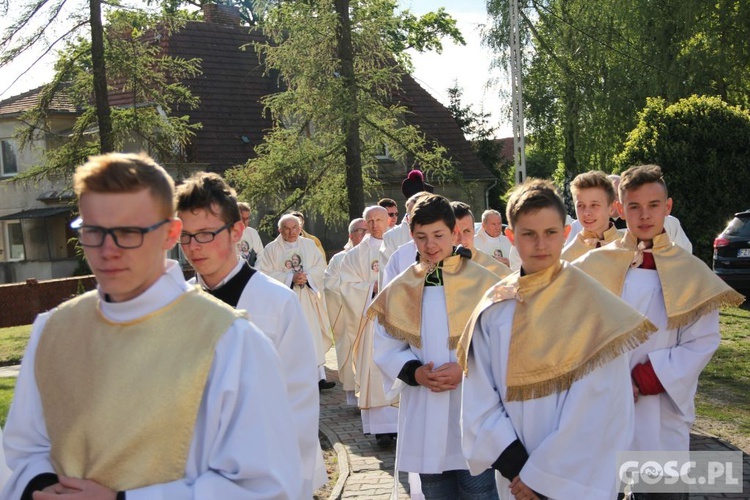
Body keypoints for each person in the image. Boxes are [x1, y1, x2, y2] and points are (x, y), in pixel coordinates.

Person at [1, 153, 302, 499]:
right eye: (93, 231)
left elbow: (266, 486)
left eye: (128, 232)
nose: (107, 250)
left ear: (171, 233)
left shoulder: (231, 342)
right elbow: (24, 449)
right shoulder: (51, 330)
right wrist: (39, 486)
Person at [459, 178, 656, 499]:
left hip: (580, 479)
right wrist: (519, 471)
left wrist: (542, 477)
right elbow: (479, 401)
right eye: (528, 234)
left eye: (550, 233)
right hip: (515, 482)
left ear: (566, 234)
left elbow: (602, 406)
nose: (540, 245)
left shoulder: (595, 305)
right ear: (511, 237)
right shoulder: (494, 308)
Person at [574, 165, 744, 499]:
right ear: (620, 210)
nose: (644, 215)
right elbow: (576, 331)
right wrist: (608, 380)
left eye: (654, 205)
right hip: (605, 403)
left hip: (659, 409)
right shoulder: (593, 266)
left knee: (659, 490)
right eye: (634, 206)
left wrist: (645, 378)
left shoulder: (691, 272)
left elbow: (703, 341)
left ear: (668, 208)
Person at [175, 171, 326, 497]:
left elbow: (299, 402)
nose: (193, 247)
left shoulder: (276, 303)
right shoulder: (178, 306)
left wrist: (289, 483)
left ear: (236, 232)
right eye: (185, 236)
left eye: (204, 234)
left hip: (265, 477)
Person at [370, 194, 501, 498]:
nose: (430, 245)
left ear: (455, 232)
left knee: (479, 490)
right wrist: (415, 373)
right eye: (421, 237)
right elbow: (385, 343)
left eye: (438, 235)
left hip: (471, 406)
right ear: (411, 237)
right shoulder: (403, 286)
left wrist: (464, 368)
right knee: (435, 491)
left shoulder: (485, 281)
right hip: (425, 407)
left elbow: (503, 341)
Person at [340, 206, 399, 445]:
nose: (375, 225)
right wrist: (370, 289)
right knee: (373, 370)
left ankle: (397, 423)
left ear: (388, 221)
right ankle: (381, 430)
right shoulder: (354, 255)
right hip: (370, 320)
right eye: (370, 221)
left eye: (379, 220)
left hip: (395, 319)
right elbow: (346, 286)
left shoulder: (399, 247)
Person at [258, 214, 335, 390]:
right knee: (289, 337)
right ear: (280, 230)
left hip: (307, 298)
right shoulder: (271, 250)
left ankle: (319, 377)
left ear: (300, 229)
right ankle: (291, 376)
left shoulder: (309, 245)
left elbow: (321, 266)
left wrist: (306, 277)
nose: (291, 232)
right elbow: (264, 273)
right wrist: (290, 278)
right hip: (285, 301)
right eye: (286, 228)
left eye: (295, 228)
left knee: (312, 334)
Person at [323, 217, 368, 406]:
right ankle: (352, 396)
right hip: (349, 313)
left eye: (367, 230)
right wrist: (356, 292)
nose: (365, 234)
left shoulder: (376, 253)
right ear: (351, 235)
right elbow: (329, 284)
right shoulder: (339, 259)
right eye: (360, 231)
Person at [606, 174, 693, 253]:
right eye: (609, 196)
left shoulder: (669, 223)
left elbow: (684, 253)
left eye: (616, 195)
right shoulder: (596, 227)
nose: (612, 200)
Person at [561, 170, 623, 262]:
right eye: (580, 205)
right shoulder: (566, 258)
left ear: (612, 207)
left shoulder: (631, 247)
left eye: (594, 205)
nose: (586, 213)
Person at [452, 201, 512, 279]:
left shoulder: (496, 268)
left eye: (467, 231)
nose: (462, 240)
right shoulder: (434, 267)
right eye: (454, 232)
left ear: (473, 231)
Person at [237, 202, 264, 266]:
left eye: (247, 218)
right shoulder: (226, 234)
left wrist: (255, 271)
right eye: (242, 218)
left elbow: (261, 255)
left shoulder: (253, 233)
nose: (245, 222)